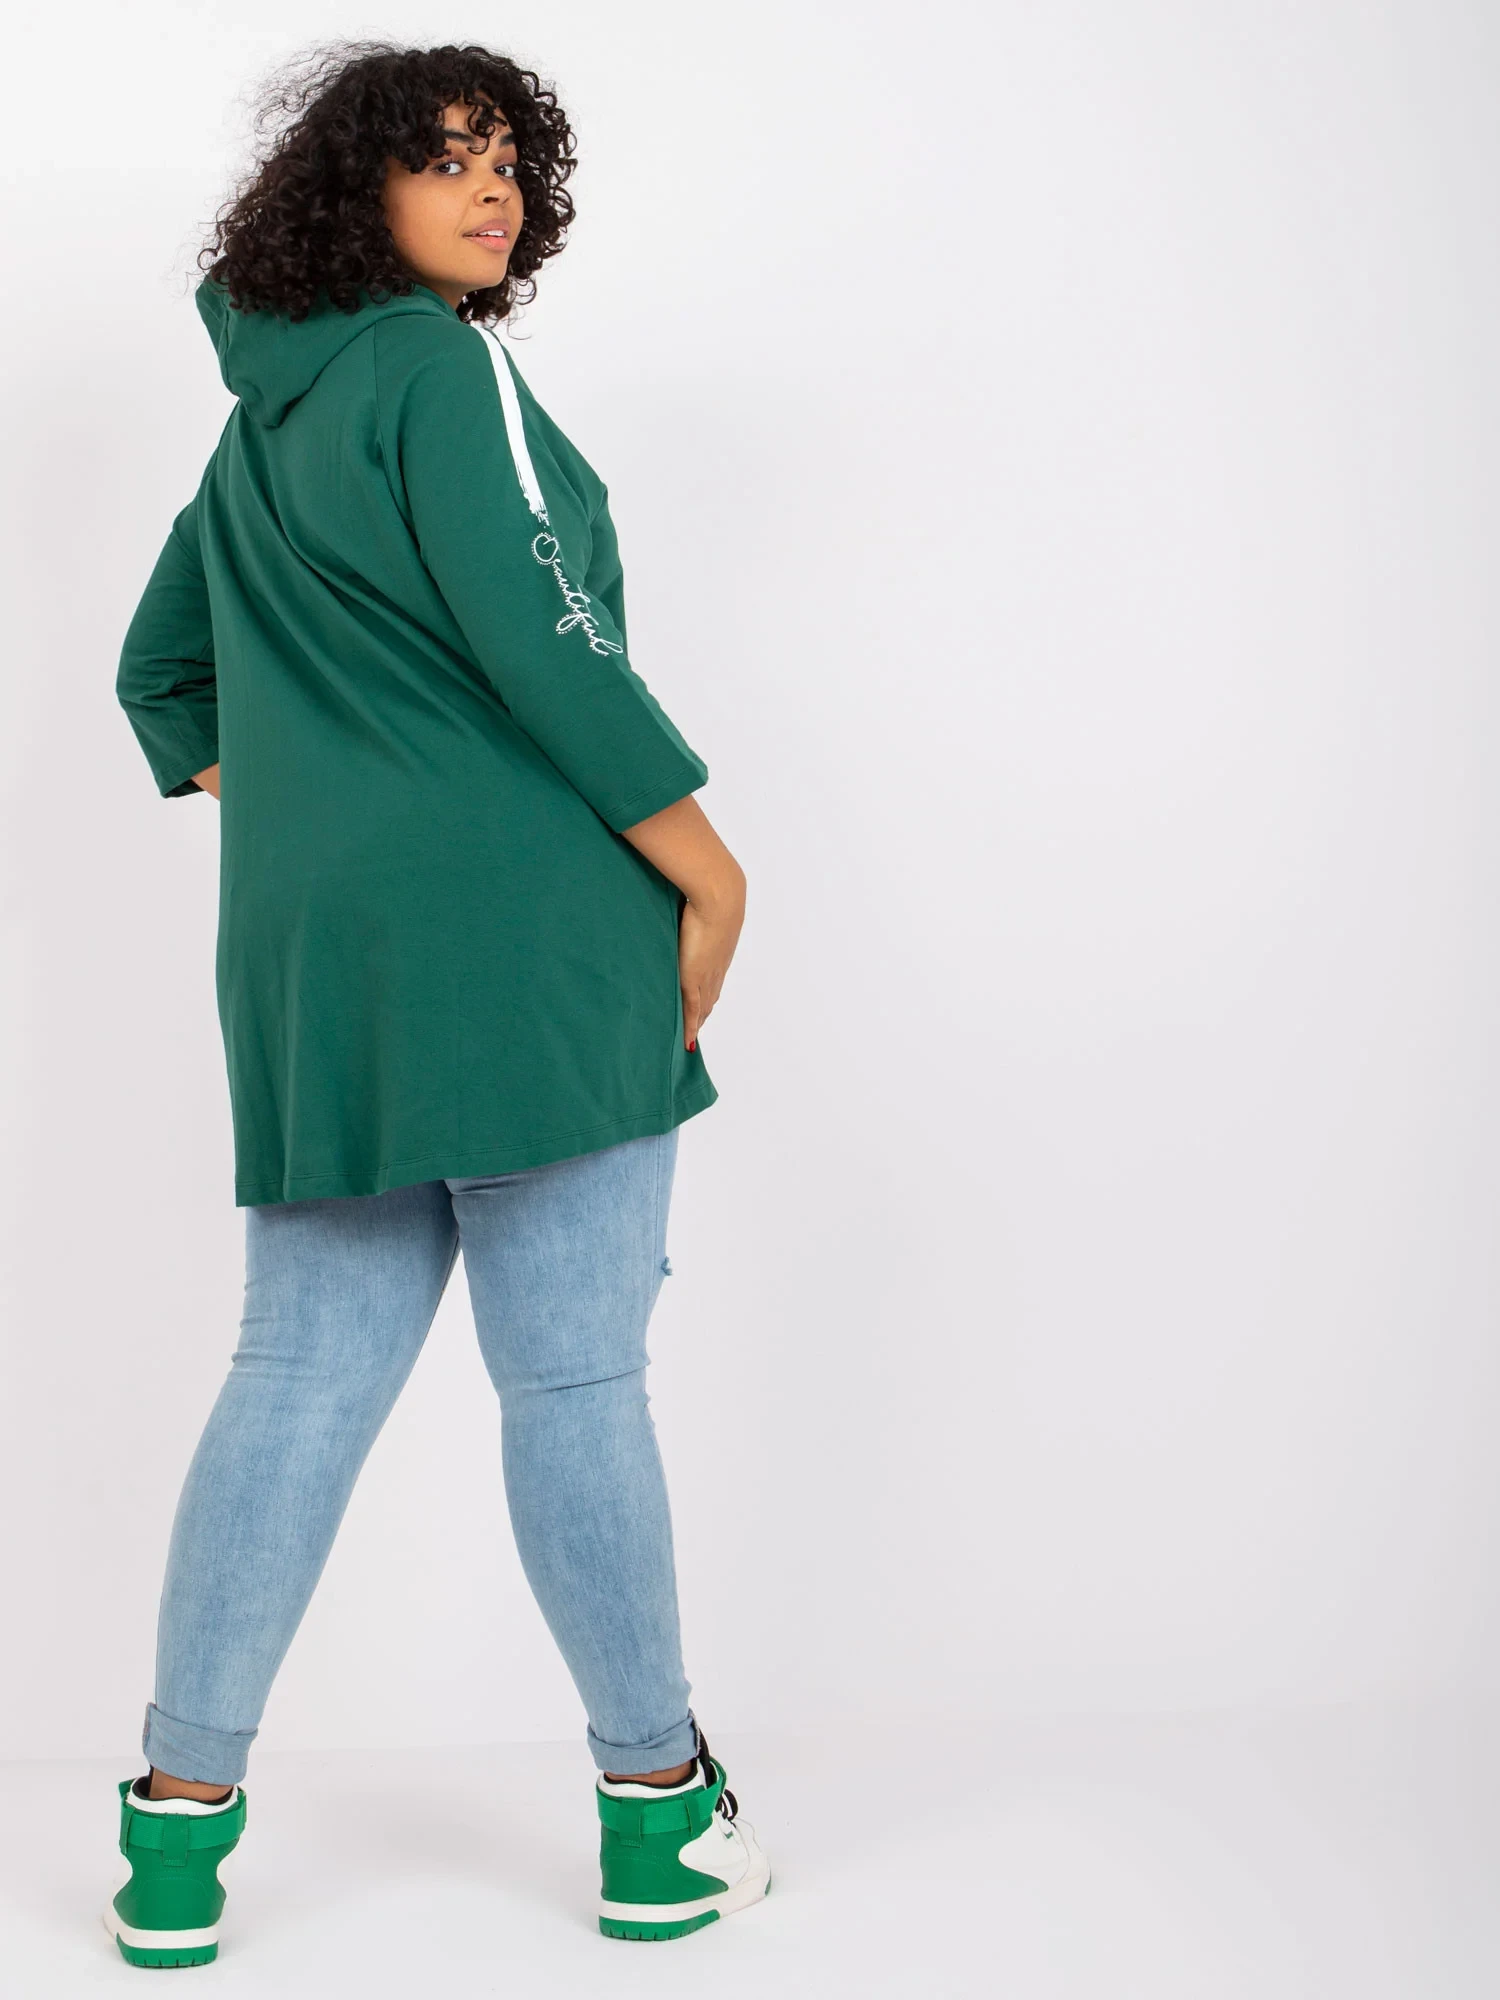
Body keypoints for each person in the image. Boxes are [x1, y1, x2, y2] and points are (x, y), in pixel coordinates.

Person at [105, 39, 770, 1968]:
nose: (494, 191)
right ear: (359, 193)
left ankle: (174, 1842)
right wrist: (709, 869)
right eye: (447, 159)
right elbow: (546, 635)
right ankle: (657, 1818)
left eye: (508, 163)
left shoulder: (265, 421)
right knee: (573, 1383)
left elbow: (160, 671)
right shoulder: (434, 367)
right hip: (528, 936)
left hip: (315, 958)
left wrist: (333, 799)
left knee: (296, 1380)